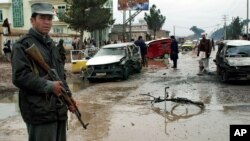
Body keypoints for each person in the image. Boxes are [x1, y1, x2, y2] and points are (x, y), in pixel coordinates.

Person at [11, 3, 76, 141]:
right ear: (32, 20)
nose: (47, 22)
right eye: (42, 18)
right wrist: (49, 86)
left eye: (50, 18)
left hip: (58, 111)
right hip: (39, 113)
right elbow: (19, 77)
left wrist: (69, 98)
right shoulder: (22, 45)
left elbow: (60, 76)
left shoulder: (52, 45)